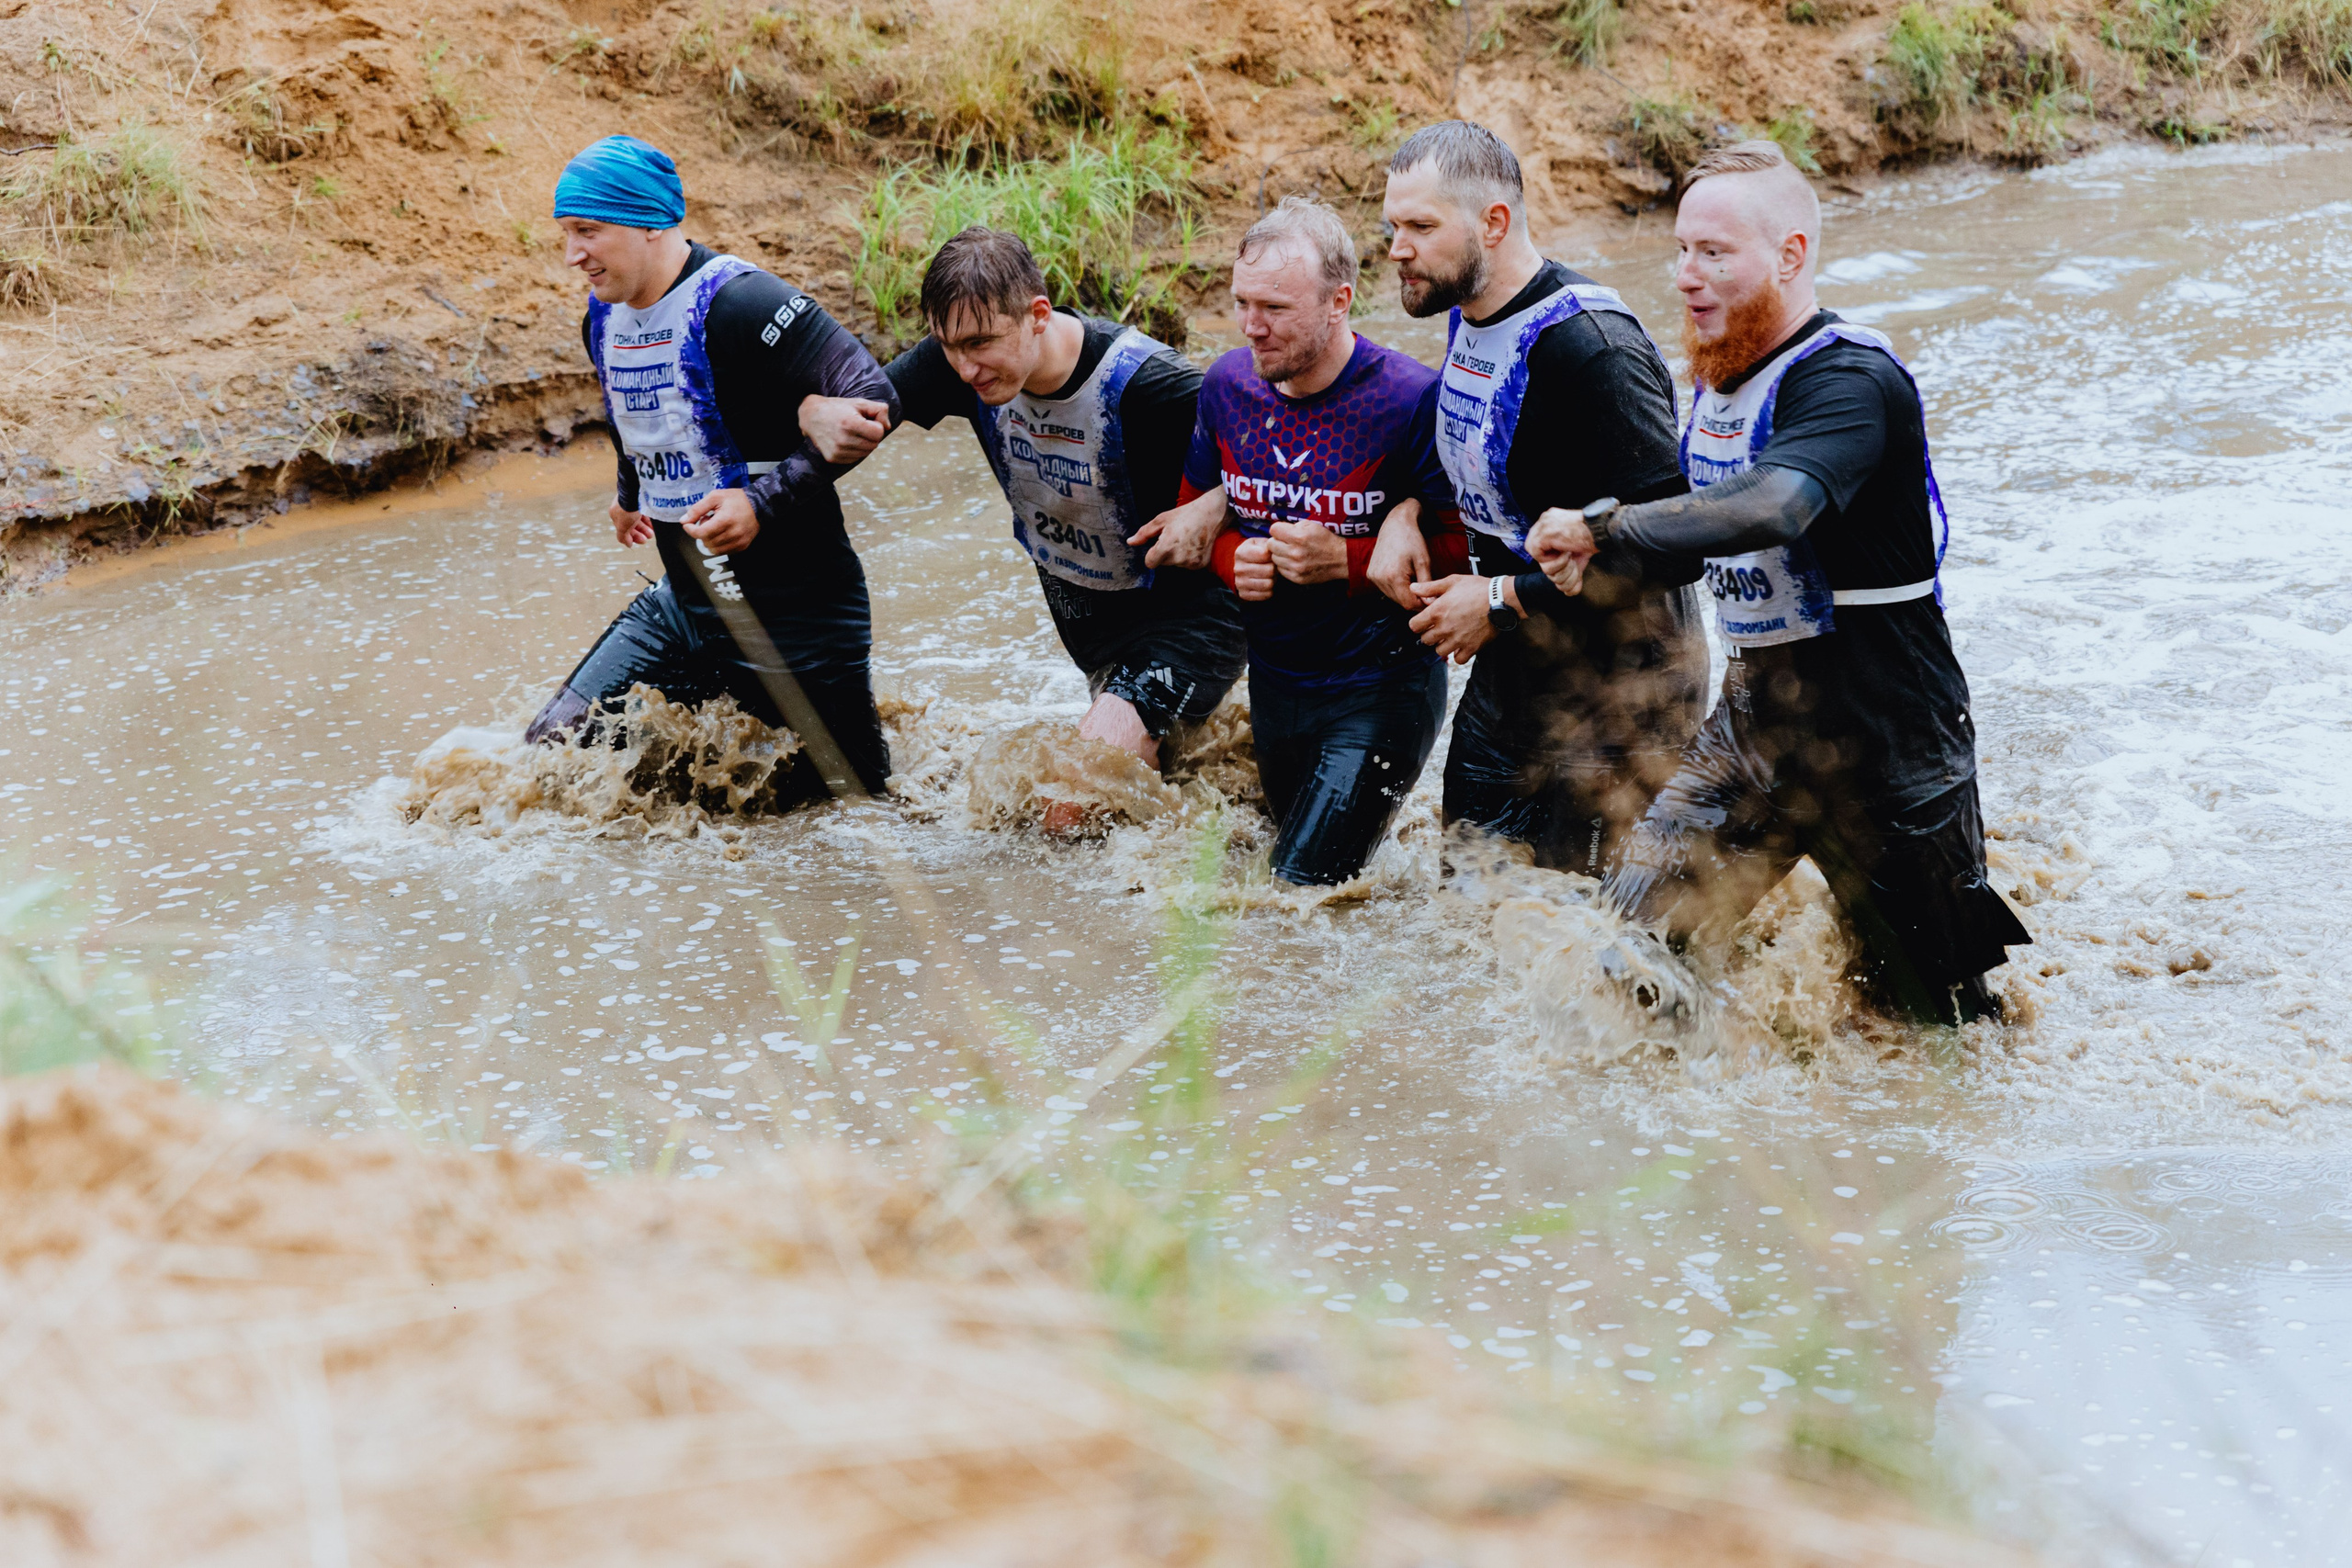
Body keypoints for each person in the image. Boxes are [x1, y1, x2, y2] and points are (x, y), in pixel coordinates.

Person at [1528, 141, 2027, 1024]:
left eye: (1715, 254)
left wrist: (1604, 524)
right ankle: (1689, 1144)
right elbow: (1697, 544)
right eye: (1681, 250)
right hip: (1755, 727)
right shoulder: (1723, 388)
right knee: (1630, 961)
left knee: (1935, 1031)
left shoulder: (1850, 380)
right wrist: (1573, 566)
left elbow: (1777, 507)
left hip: (1889, 745)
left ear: (1791, 256)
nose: (1686, 275)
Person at [794, 227, 1245, 828]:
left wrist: (1211, 506)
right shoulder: (958, 365)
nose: (965, 366)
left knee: (1066, 808)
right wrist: (810, 408)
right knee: (1161, 792)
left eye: (980, 343)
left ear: (1038, 314)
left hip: (1194, 621)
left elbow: (1291, 458)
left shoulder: (1146, 384)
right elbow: (854, 404)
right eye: (948, 346)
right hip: (1095, 632)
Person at [524, 134, 899, 800]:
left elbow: (874, 397)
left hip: (799, 615)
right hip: (688, 604)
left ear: (648, 223)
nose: (571, 253)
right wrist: (628, 489)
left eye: (587, 230)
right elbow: (636, 408)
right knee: (552, 757)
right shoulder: (602, 316)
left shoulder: (741, 302)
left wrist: (762, 501)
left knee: (849, 806)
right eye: (565, 233)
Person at [1380, 120, 1706, 877]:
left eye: (1420, 227)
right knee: (1469, 908)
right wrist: (1407, 511)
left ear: (1493, 224)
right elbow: (1485, 467)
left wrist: (1499, 596)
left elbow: (1677, 546)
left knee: (1588, 943)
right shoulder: (1470, 311)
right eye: (1393, 226)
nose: (1397, 248)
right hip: (1514, 676)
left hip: (1626, 697)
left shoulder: (1594, 351)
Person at [1166, 197, 1462, 886]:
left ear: (1339, 302)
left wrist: (1346, 563)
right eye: (1241, 302)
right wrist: (1229, 559)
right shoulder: (1226, 385)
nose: (1251, 326)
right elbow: (1194, 517)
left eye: (1275, 307)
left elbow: (1464, 556)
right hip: (1276, 685)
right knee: (1323, 889)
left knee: (1295, 890)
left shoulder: (1410, 400)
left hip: (1380, 686)